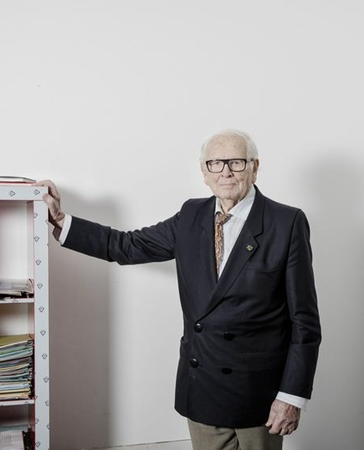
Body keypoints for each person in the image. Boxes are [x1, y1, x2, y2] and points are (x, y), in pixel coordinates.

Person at [38, 129, 321, 450]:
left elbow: (305, 321)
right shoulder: (191, 216)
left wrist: (291, 396)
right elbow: (126, 245)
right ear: (204, 173)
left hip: (259, 393)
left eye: (236, 162)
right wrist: (60, 219)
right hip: (202, 387)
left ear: (255, 167)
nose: (225, 171)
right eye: (215, 163)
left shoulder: (286, 222)